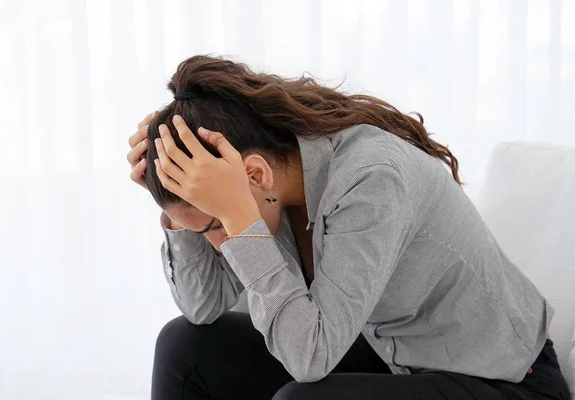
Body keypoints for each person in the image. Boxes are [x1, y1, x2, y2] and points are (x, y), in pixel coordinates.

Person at [126, 55, 571, 400]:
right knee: (183, 347)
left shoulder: (370, 177)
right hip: (392, 356)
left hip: (508, 382)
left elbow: (309, 358)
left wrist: (240, 223)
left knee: (300, 398)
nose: (220, 246)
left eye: (214, 224)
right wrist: (175, 200)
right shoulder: (268, 179)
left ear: (255, 175)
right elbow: (201, 308)